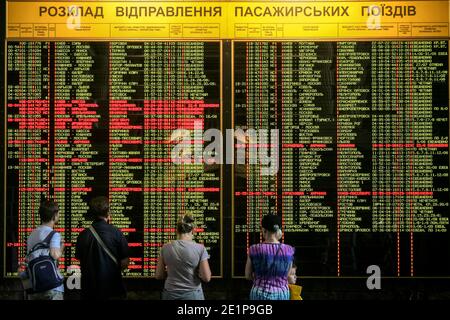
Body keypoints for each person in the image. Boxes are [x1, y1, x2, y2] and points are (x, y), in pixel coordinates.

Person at [75, 196, 129, 300]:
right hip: (112, 289)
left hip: (89, 291)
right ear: (108, 213)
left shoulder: (83, 235)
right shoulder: (117, 233)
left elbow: (79, 259)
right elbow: (125, 262)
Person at [155, 214, 211, 300]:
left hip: (170, 294)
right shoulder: (200, 249)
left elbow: (159, 275)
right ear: (193, 230)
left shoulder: (165, 248)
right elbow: (206, 278)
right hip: (193, 294)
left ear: (177, 230)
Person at [245, 214, 295, 300]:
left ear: (263, 230)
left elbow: (248, 275)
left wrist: (260, 278)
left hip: (259, 294)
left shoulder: (254, 249)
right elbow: (287, 275)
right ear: (278, 230)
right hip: (282, 294)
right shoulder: (289, 250)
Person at [26, 200, 64, 300]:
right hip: (52, 287)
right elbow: (55, 255)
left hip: (36, 285)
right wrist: (62, 246)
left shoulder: (31, 235)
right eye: (58, 213)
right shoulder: (54, 234)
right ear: (54, 215)